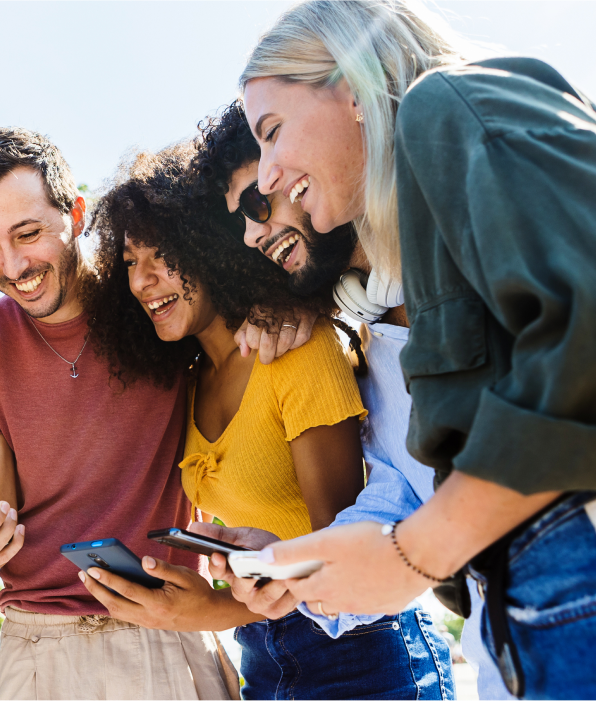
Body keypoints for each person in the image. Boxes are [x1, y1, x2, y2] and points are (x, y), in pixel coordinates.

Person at [234, 0, 596, 698]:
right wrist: (299, 561)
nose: (270, 173)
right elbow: (421, 489)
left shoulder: (448, 99)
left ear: (351, 84)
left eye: (273, 131)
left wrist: (414, 554)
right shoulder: (408, 290)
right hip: (523, 619)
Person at [82, 141, 454, 700]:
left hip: (361, 651)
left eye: (161, 254)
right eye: (131, 263)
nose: (141, 281)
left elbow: (342, 544)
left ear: (207, 247)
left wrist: (213, 608)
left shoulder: (293, 349)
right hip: (262, 655)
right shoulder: (188, 383)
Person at [191, 97, 515, 700]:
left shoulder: (481, 238)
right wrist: (294, 563)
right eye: (241, 225)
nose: (253, 235)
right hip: (508, 660)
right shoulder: (371, 352)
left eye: (260, 204)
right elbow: (394, 511)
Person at [0, 127, 239, 701]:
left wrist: (275, 315)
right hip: (39, 650)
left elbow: (232, 339)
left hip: (167, 630)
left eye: (28, 233)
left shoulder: (151, 297)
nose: (12, 267)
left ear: (76, 213)